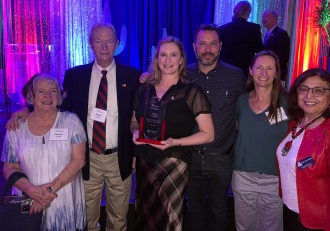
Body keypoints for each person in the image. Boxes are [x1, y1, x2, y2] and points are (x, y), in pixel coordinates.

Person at [7, 22, 141, 231]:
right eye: (98, 41)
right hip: (85, 157)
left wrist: (134, 155)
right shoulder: (75, 75)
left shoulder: (132, 76)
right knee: (87, 217)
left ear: (116, 44)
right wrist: (26, 110)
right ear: (91, 44)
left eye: (108, 41)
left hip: (118, 157)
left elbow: (136, 114)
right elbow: (56, 106)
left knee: (119, 216)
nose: (104, 46)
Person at [131, 36, 214, 230]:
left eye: (173, 55)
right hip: (145, 161)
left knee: (169, 217)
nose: (167, 61)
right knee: (145, 216)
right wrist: (135, 131)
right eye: (163, 55)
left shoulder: (192, 92)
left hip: (173, 162)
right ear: (156, 59)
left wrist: (175, 142)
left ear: (181, 60)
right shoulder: (143, 89)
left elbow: (208, 134)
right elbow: (134, 120)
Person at [2, 74, 87, 230]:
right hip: (28, 202)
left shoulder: (71, 121)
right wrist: (32, 191)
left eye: (53, 91)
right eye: (41, 91)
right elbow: (9, 167)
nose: (48, 96)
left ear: (59, 95)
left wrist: (46, 194)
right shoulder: (16, 127)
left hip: (64, 201)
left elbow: (79, 161)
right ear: (31, 96)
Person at [276, 68, 330, 230]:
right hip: (289, 210)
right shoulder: (296, 123)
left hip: (318, 222)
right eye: (303, 89)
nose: (309, 95)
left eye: (319, 90)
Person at [186, 24, 246, 231]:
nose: (208, 49)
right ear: (194, 47)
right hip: (190, 156)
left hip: (222, 157)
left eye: (213, 44)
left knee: (218, 210)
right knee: (193, 208)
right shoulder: (183, 74)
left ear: (220, 46)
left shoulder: (236, 76)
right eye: (202, 44)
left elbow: (244, 110)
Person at [232, 50, 288, 231]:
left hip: (274, 178)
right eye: (259, 68)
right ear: (250, 70)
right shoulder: (240, 102)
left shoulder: (288, 103)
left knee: (271, 228)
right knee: (244, 227)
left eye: (269, 68)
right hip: (243, 175)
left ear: (276, 73)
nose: (264, 73)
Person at [219, 0, 263, 77]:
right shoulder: (254, 28)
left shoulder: (222, 29)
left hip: (225, 70)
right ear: (249, 12)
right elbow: (259, 50)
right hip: (245, 71)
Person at [262, 10, 290, 84]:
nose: (263, 19)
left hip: (275, 74)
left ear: (275, 19)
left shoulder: (281, 34)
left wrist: (274, 71)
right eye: (263, 16)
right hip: (267, 73)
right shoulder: (267, 34)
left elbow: (283, 57)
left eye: (266, 16)